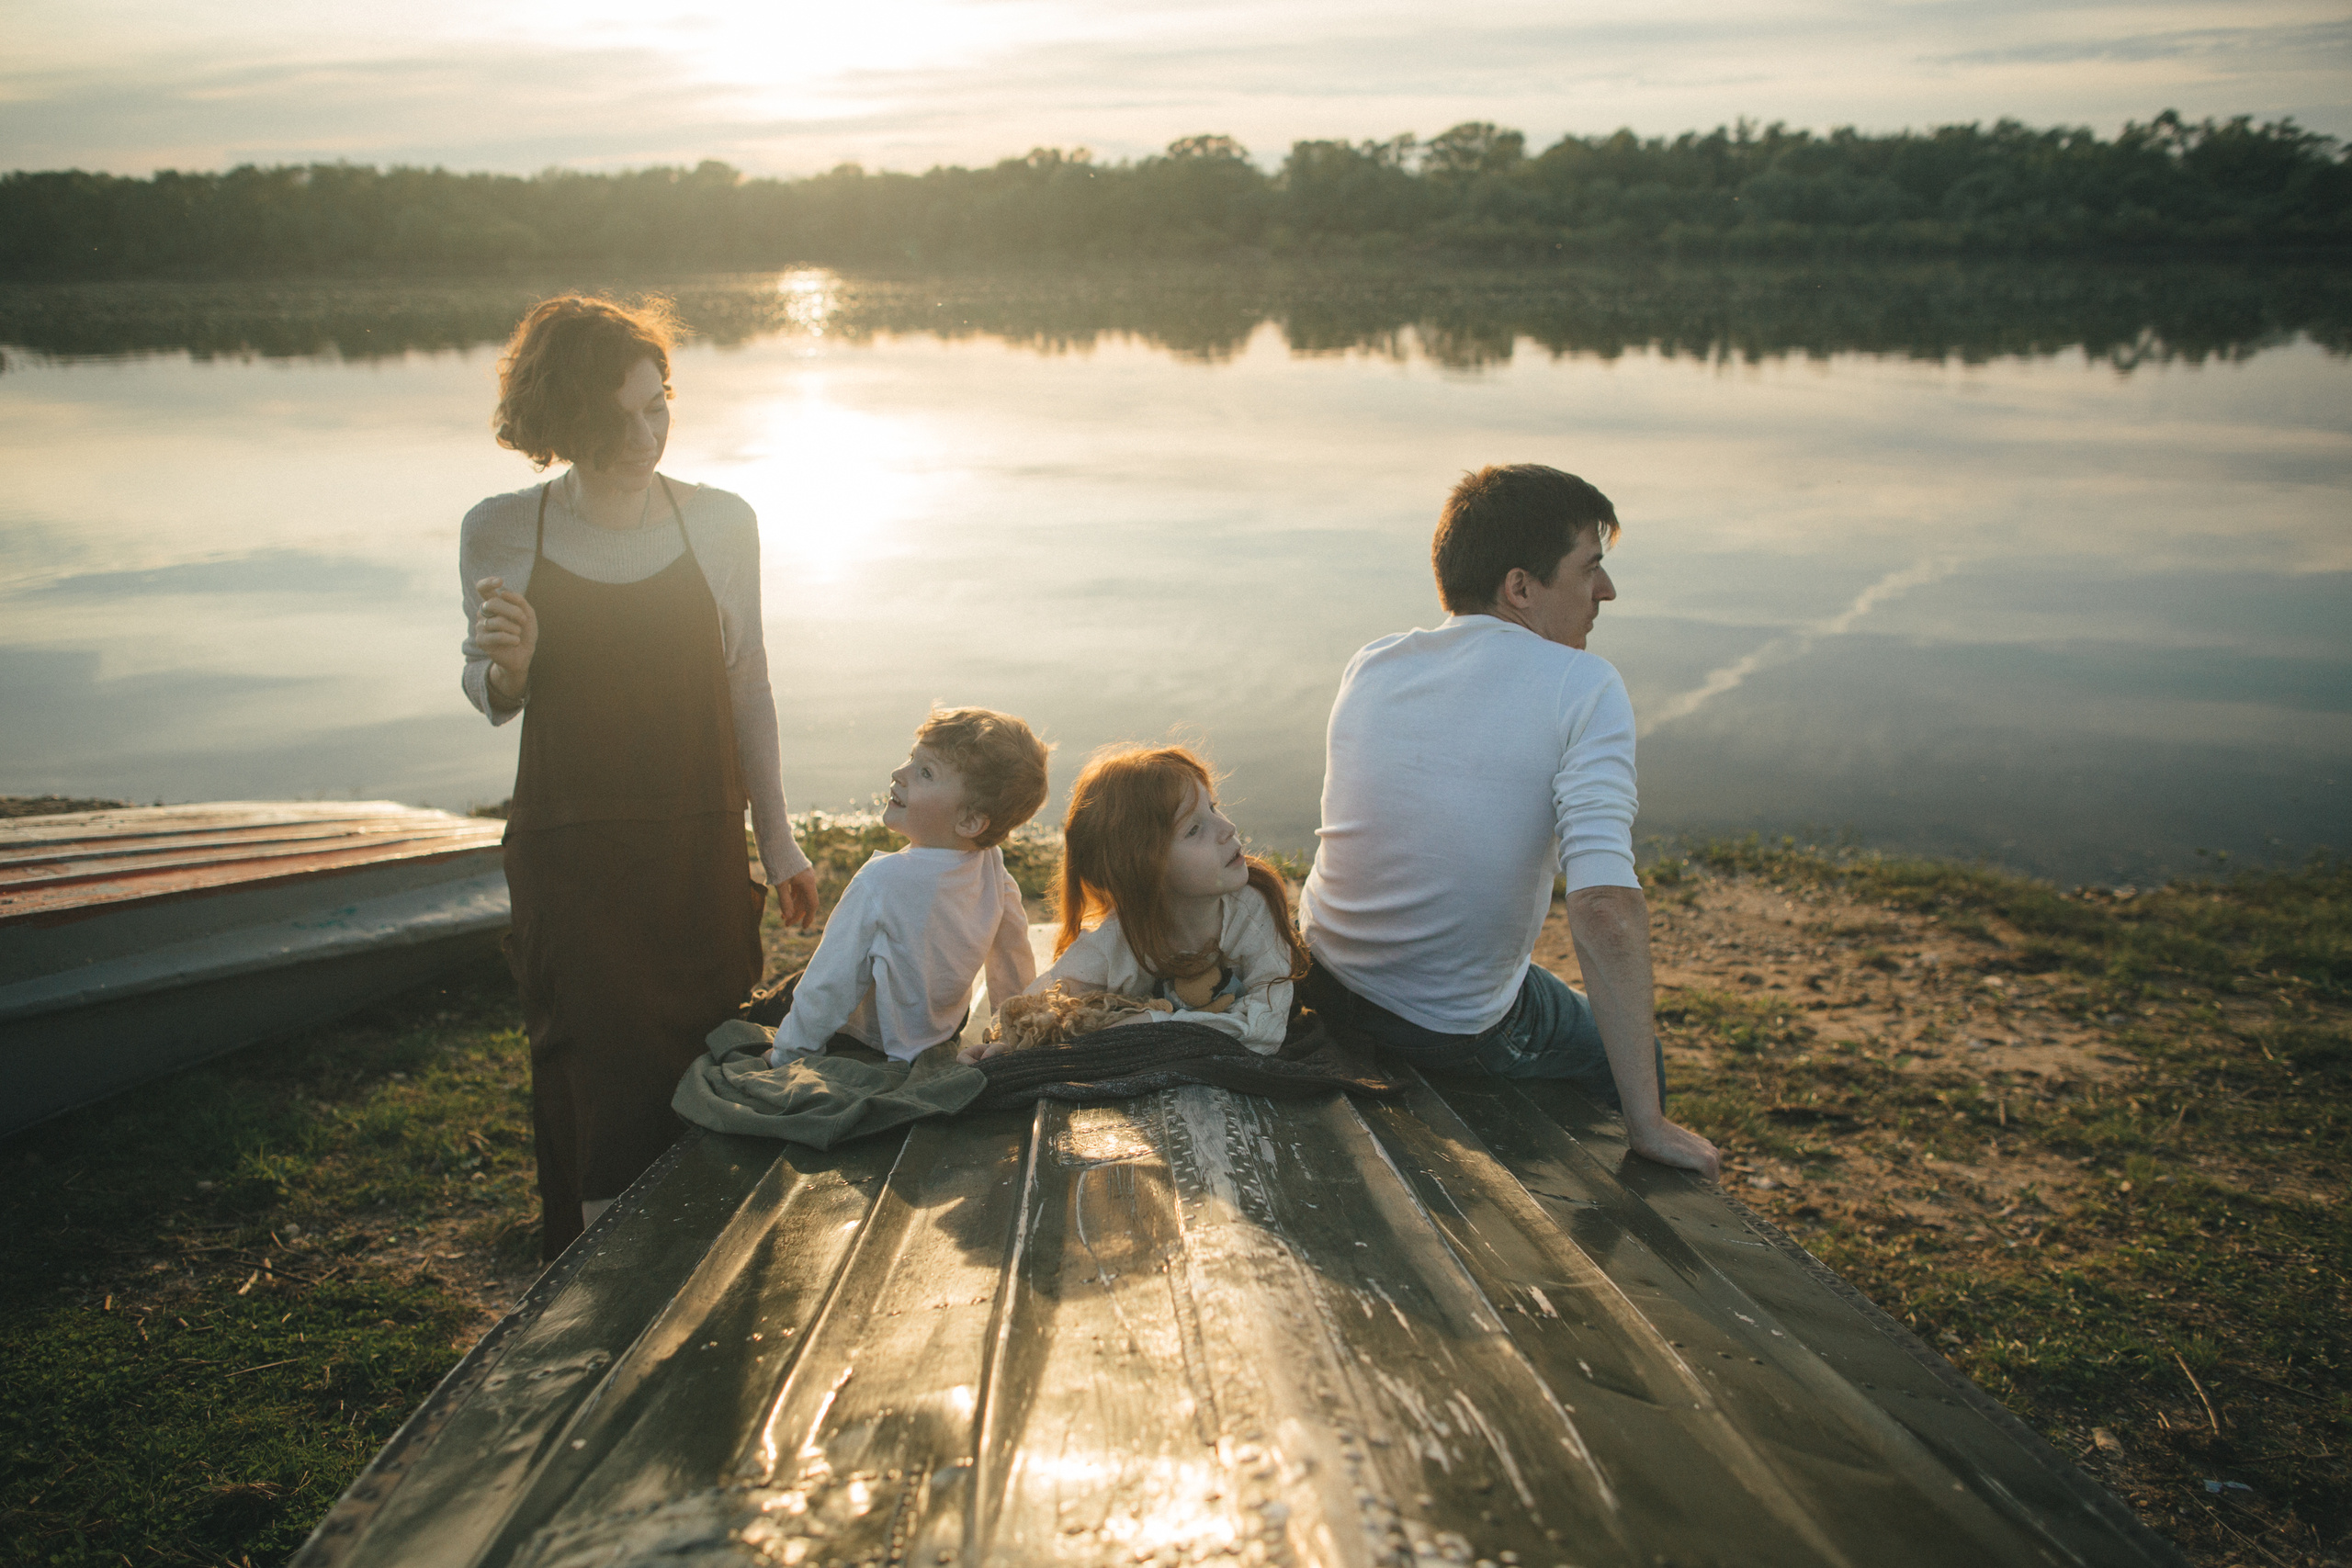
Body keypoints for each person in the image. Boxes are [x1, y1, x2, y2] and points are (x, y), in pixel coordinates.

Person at [459, 294, 821, 1261]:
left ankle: (710, 1263)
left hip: (696, 834)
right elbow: (491, 692)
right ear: (559, 417)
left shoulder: (719, 522)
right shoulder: (502, 529)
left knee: (709, 1048)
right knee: (589, 1063)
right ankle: (590, 1281)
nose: (643, 434)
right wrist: (513, 663)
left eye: (657, 405)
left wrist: (776, 838)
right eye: (614, 415)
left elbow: (748, 679)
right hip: (569, 842)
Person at [1297, 464, 1722, 1179]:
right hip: (1445, 1025)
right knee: (1631, 1057)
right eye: (1590, 569)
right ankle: (1635, 1234)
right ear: (1520, 587)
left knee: (1533, 979)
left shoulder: (1372, 664)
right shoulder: (1585, 686)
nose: (1607, 591)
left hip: (1325, 978)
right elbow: (1605, 909)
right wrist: (1646, 1120)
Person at [965, 744, 1307, 1061]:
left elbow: (1266, 1031)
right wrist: (1003, 1045)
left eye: (1214, 807)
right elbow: (1040, 1003)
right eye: (1194, 829)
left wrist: (1151, 1022)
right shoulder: (1119, 936)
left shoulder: (1253, 912)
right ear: (1144, 868)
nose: (1228, 828)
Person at [764, 708, 1050, 1063]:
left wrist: (787, 1055)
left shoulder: (879, 882)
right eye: (912, 758)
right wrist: (1012, 1033)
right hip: (938, 1032)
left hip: (863, 1039)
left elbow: (828, 985)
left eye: (925, 773)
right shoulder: (991, 868)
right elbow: (1012, 960)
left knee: (764, 1006)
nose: (899, 773)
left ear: (971, 820)